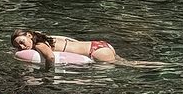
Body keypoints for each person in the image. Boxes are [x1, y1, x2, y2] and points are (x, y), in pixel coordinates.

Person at [10, 28, 158, 67]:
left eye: (22, 42)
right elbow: (70, 40)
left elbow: (50, 57)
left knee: (130, 66)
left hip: (96, 52)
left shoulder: (40, 44)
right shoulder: (47, 37)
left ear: (29, 35)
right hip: (99, 45)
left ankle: (156, 66)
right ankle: (158, 65)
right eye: (18, 46)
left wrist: (48, 75)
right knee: (129, 62)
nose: (22, 47)